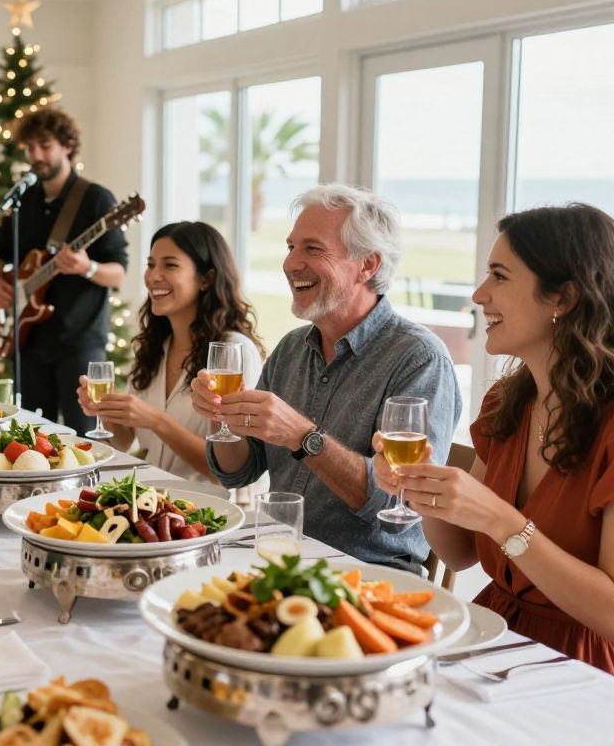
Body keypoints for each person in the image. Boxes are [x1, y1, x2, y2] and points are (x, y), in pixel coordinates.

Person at [373, 204, 614, 672]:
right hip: (492, 638)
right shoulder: (508, 403)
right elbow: (459, 552)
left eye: (499, 277)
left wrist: (504, 522)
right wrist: (423, 488)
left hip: (580, 670)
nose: (480, 294)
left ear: (562, 298)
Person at [190, 183, 460, 573]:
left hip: (366, 574)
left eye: (312, 249)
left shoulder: (419, 359)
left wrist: (302, 437)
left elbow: (394, 503)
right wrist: (222, 415)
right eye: (290, 247)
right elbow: (238, 470)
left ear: (368, 265)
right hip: (277, 560)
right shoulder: (291, 348)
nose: (290, 263)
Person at [75, 221, 264, 484]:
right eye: (151, 264)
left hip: (208, 509)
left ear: (206, 279)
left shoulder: (234, 352)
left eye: (170, 265)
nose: (153, 276)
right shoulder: (153, 347)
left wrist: (156, 421)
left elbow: (228, 472)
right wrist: (107, 412)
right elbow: (123, 440)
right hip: (150, 501)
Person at [0, 107, 128, 434]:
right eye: (30, 148)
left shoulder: (95, 200)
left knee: (87, 433)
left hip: (80, 341)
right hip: (30, 341)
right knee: (32, 433)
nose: (37, 155)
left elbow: (118, 272)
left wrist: (86, 266)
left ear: (66, 145)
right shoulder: (26, 201)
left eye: (45, 145)